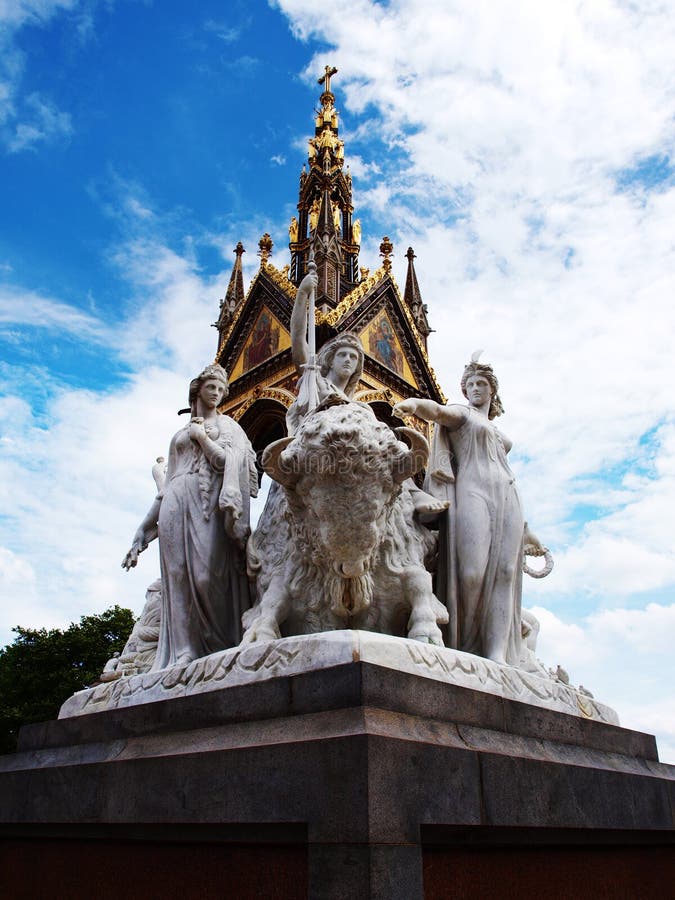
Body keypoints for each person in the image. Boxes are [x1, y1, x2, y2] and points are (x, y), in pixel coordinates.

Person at [394, 354, 544, 664]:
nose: (475, 388)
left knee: (505, 572)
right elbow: (436, 411)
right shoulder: (462, 415)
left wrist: (528, 533)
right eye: (470, 384)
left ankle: (497, 655)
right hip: (472, 491)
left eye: (482, 383)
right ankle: (464, 643)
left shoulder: (499, 433)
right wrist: (413, 404)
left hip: (508, 494)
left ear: (492, 390)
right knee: (472, 572)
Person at [122, 364, 258, 668]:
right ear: (198, 389)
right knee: (177, 578)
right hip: (175, 502)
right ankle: (183, 650)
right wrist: (140, 535)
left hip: (206, 503)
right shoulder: (177, 437)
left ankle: (219, 646)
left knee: (206, 575)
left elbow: (228, 462)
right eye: (212, 388)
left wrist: (202, 438)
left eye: (222, 390)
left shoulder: (229, 427)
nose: (217, 394)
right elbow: (166, 485)